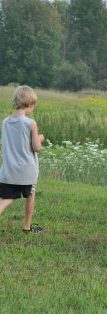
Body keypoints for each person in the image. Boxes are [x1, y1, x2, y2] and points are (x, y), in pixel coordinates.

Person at [0, 85, 45, 233]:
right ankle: (26, 227)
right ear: (30, 103)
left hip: (8, 170)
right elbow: (36, 147)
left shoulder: (5, 122)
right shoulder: (30, 123)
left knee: (5, 200)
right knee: (30, 195)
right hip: (26, 171)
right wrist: (40, 138)